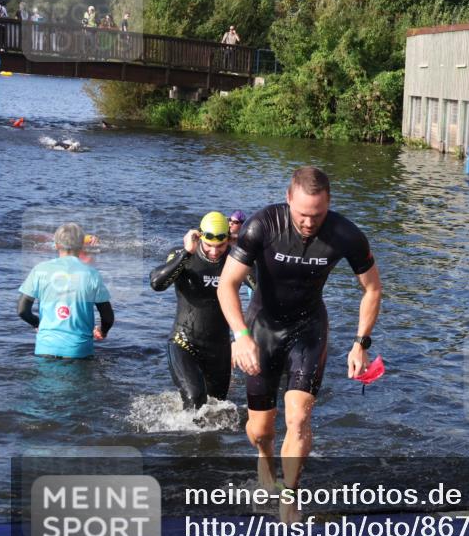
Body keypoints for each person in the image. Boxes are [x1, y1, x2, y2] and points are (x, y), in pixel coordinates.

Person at [217, 167, 381, 514]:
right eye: (303, 214)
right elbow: (227, 284)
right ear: (289, 199)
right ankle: (264, 455)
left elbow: (372, 289)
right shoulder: (263, 225)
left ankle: (290, 496)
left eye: (317, 215)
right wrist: (240, 336)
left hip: (308, 329)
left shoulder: (345, 234)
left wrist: (360, 343)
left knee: (298, 416)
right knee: (261, 429)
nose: (309, 223)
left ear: (329, 204)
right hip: (261, 329)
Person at [151, 212, 248, 410]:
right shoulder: (184, 254)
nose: (214, 252)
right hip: (183, 342)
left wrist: (245, 250)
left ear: (228, 240)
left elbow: (260, 285)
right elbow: (157, 283)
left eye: (220, 246)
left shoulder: (234, 260)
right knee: (195, 399)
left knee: (218, 409)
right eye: (209, 246)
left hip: (219, 348)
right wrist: (187, 252)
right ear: (200, 237)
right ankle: (183, 440)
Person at [17, 223, 114, 358]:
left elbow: (22, 311)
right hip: (79, 351)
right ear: (81, 246)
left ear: (56, 245)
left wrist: (38, 324)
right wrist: (103, 331)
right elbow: (108, 317)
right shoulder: (92, 274)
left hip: (45, 349)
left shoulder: (40, 269)